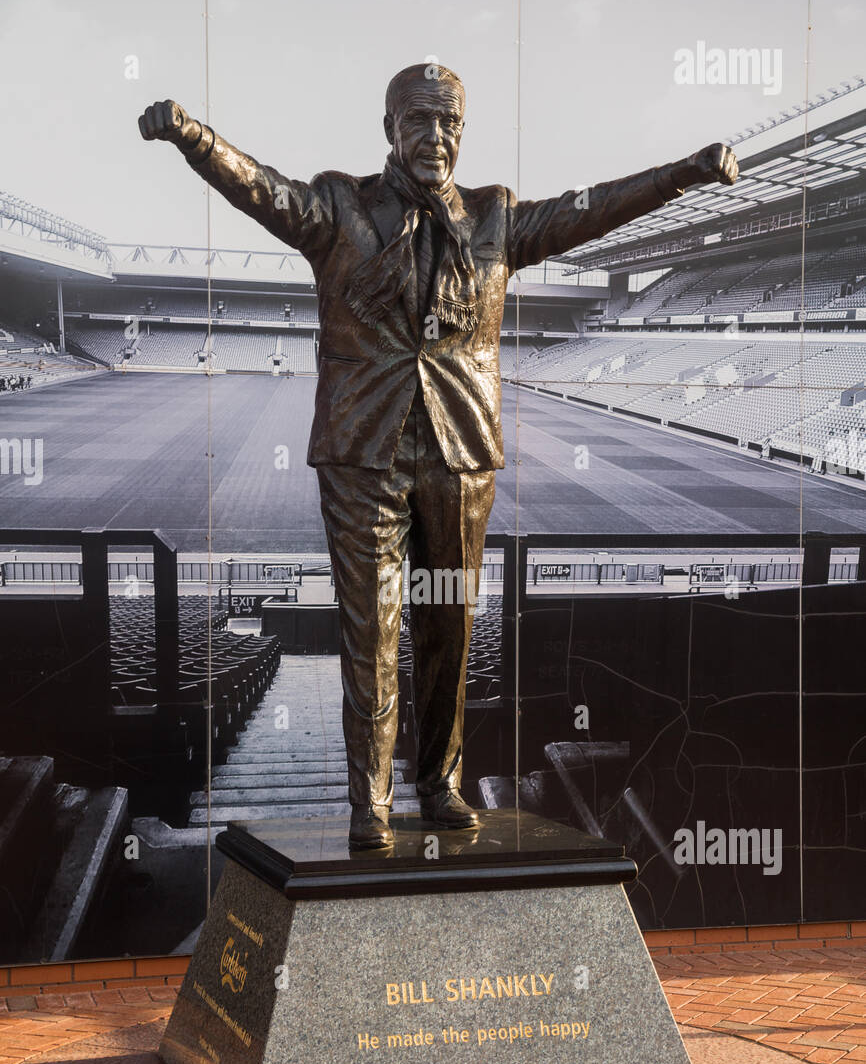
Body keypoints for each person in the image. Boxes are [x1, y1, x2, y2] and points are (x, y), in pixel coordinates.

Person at [139, 64, 738, 848]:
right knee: (370, 632)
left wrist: (682, 175)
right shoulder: (338, 206)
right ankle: (370, 803)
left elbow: (591, 210)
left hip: (457, 456)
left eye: (450, 123)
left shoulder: (496, 218)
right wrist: (195, 137)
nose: (437, 138)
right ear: (389, 128)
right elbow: (263, 189)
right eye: (420, 121)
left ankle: (443, 783)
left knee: (449, 630)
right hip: (364, 455)